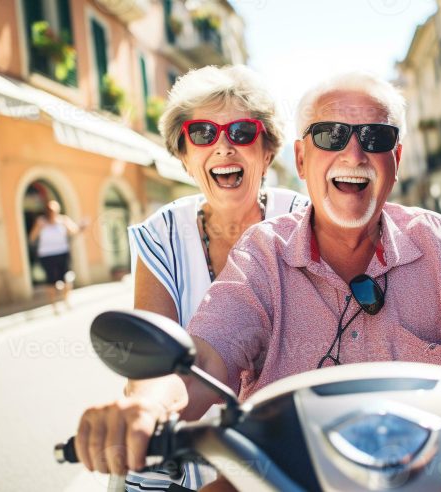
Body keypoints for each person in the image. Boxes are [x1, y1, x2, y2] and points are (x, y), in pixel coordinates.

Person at [76, 73, 441, 491]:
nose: (354, 151)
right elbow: (202, 358)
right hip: (285, 478)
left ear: (396, 160)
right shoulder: (263, 252)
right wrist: (144, 408)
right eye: (332, 136)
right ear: (304, 159)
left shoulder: (436, 241)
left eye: (375, 139)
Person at [123, 65, 308, 490]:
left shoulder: (304, 221)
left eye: (242, 132)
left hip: (289, 448)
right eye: (203, 134)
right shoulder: (162, 234)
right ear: (185, 157)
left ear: (266, 152)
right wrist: (143, 412)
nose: (223, 146)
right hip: (190, 446)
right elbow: (152, 362)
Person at [28, 200, 84, 313]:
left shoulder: (63, 220)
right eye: (49, 210)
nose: (52, 212)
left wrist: (82, 227)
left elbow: (75, 231)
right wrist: (39, 228)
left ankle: (66, 301)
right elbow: (32, 237)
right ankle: (54, 306)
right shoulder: (41, 222)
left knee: (67, 278)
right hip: (47, 255)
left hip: (62, 252)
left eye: (54, 210)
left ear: (58, 210)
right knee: (51, 281)